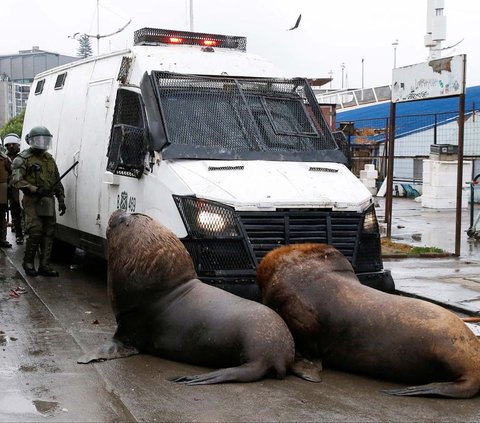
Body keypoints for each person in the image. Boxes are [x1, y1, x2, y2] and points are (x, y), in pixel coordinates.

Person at [12, 126, 66, 277]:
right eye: (39, 140)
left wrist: (61, 198)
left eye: (45, 140)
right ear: (31, 141)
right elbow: (16, 181)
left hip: (48, 200)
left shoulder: (49, 159)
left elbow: (56, 179)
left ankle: (45, 265)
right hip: (32, 200)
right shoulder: (22, 158)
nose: (42, 143)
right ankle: (28, 262)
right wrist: (34, 189)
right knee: (35, 231)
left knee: (49, 232)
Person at [3, 133, 24, 244]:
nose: (11, 146)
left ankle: (21, 232)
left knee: (21, 212)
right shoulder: (4, 158)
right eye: (8, 144)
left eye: (13, 144)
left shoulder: (23, 156)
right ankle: (19, 235)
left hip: (22, 188)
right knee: (14, 212)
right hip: (9, 189)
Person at [0, 146, 12, 248]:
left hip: (2, 190)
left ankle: (2, 239)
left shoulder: (4, 158)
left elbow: (11, 172)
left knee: (1, 215)